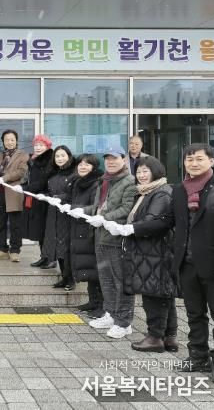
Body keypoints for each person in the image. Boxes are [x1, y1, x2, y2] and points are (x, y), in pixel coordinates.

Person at [132, 144, 214, 384]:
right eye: (189, 159)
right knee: (195, 314)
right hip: (186, 263)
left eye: (199, 159)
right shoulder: (180, 190)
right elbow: (167, 221)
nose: (193, 163)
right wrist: (133, 228)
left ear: (211, 161)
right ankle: (198, 357)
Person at [113, 156, 178, 353]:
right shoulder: (145, 192)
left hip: (155, 252)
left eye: (145, 171)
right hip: (149, 251)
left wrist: (130, 229)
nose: (141, 175)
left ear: (156, 172)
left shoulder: (161, 193)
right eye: (139, 171)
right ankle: (169, 336)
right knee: (163, 293)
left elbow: (154, 221)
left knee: (153, 294)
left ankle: (155, 337)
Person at [77, 145, 137, 339]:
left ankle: (124, 322)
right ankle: (111, 314)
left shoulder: (129, 182)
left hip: (117, 239)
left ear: (124, 160)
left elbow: (127, 208)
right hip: (101, 237)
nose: (110, 162)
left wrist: (103, 218)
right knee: (106, 280)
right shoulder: (105, 180)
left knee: (121, 282)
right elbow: (99, 207)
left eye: (115, 158)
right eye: (108, 158)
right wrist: (81, 210)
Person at [0, 129, 29, 262]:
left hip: (13, 194)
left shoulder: (23, 155)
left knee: (15, 225)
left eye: (12, 139)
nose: (9, 142)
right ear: (3, 141)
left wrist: (5, 178)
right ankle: (2, 249)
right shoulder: (0, 156)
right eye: (7, 140)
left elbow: (21, 172)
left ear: (16, 141)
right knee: (0, 223)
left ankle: (15, 251)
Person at [68, 154, 104, 318]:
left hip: (90, 230)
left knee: (95, 268)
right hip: (79, 228)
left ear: (94, 167)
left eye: (87, 164)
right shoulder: (78, 182)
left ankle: (101, 305)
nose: (82, 167)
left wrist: (78, 209)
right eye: (80, 164)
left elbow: (95, 207)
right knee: (88, 266)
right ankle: (93, 301)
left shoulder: (96, 183)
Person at [42, 146, 77, 290]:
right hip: (53, 214)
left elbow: (74, 194)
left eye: (63, 155)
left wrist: (60, 197)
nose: (60, 158)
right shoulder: (53, 173)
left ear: (69, 156)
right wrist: (45, 196)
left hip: (67, 215)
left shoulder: (75, 174)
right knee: (57, 247)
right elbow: (48, 192)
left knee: (66, 248)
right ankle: (64, 277)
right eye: (57, 156)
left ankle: (71, 280)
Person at [22, 134, 54, 268]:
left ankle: (51, 259)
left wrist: (25, 188)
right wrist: (25, 186)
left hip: (45, 199)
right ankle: (44, 256)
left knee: (47, 230)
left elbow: (43, 181)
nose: (38, 147)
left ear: (47, 146)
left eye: (41, 145)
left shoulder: (49, 160)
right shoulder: (34, 160)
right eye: (36, 145)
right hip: (36, 198)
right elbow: (31, 179)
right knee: (40, 229)